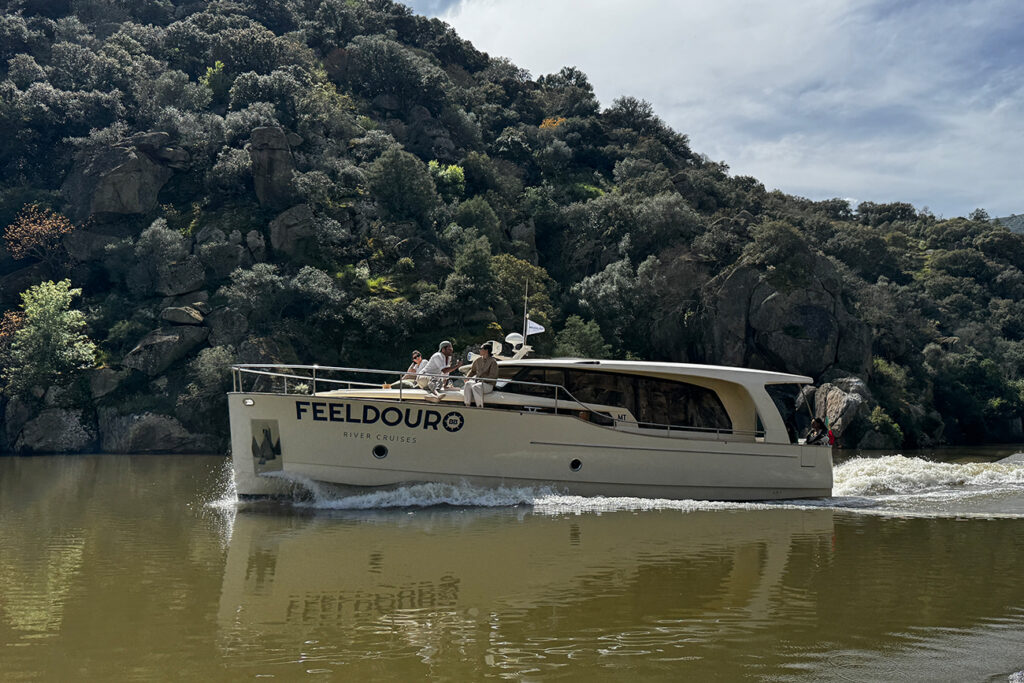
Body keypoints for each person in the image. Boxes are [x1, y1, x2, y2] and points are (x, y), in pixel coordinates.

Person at [462, 342, 499, 407]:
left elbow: (493, 376)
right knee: (468, 384)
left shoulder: (493, 362)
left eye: (481, 349)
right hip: (478, 382)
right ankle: (467, 405)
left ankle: (479, 406)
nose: (479, 350)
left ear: (486, 350)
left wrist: (482, 380)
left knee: (476, 387)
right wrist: (467, 377)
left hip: (488, 385)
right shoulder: (477, 360)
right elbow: (473, 371)